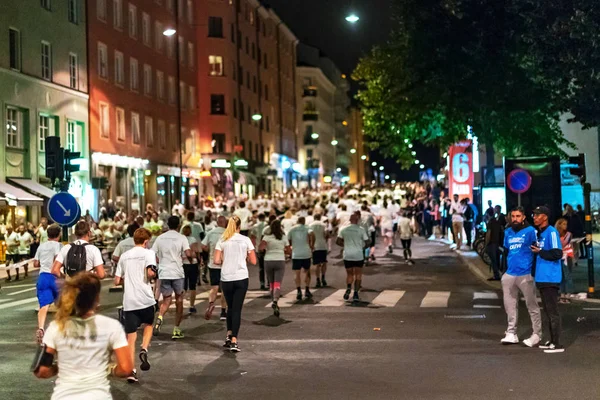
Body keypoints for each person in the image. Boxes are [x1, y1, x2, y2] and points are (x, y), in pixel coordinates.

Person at [34, 273, 133, 397]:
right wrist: (109, 369)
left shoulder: (56, 326)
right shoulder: (112, 326)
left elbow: (41, 370)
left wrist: (62, 366)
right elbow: (126, 369)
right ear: (97, 299)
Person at [114, 228, 157, 383]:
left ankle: (131, 370)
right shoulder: (149, 253)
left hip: (129, 301)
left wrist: (129, 278)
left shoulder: (125, 256)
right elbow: (151, 273)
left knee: (130, 338)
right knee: (149, 324)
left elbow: (116, 281)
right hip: (146, 299)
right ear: (146, 241)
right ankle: (144, 348)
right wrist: (152, 274)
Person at [214, 216, 257, 352]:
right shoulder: (245, 240)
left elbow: (216, 260)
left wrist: (225, 258)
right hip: (241, 277)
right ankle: (234, 340)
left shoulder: (222, 239)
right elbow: (254, 261)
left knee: (230, 308)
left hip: (226, 277)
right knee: (237, 309)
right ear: (240, 226)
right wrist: (243, 256)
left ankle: (228, 335)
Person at [500, 206, 542, 347]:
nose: (515, 219)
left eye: (518, 216)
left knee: (532, 305)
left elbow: (537, 249)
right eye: (513, 216)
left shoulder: (530, 231)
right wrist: (504, 272)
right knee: (510, 306)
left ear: (523, 217)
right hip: (510, 273)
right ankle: (511, 333)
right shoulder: (508, 232)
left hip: (525, 273)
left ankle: (537, 333)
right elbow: (507, 251)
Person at [151, 216, 192, 340]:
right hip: (177, 272)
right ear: (179, 225)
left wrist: (160, 262)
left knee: (166, 300)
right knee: (179, 299)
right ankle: (176, 329)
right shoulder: (182, 238)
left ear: (167, 225)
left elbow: (153, 254)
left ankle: (160, 317)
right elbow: (188, 253)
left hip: (164, 272)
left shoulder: (160, 238)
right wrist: (192, 260)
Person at [531, 206, 564, 353]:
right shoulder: (541, 233)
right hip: (542, 278)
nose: (534, 217)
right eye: (534, 215)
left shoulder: (551, 232)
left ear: (545, 217)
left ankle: (557, 344)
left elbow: (557, 253)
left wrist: (540, 252)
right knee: (548, 312)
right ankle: (551, 340)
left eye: (537, 215)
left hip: (550, 277)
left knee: (553, 312)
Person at [34, 224, 62, 344]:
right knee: (62, 305)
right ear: (59, 235)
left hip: (43, 277)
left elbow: (35, 263)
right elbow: (57, 260)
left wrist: (44, 264)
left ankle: (41, 328)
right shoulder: (59, 246)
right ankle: (60, 332)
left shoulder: (41, 246)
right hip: (55, 277)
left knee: (43, 306)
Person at [259, 219, 291, 317]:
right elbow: (289, 251)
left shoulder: (266, 237)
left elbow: (260, 248)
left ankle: (272, 299)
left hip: (268, 260)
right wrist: (281, 250)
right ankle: (276, 301)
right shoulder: (283, 237)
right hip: (280, 260)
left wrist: (267, 249)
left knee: (271, 282)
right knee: (277, 283)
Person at [337, 212, 370, 301]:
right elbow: (367, 242)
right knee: (358, 274)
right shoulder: (361, 229)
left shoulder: (343, 229)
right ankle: (355, 293)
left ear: (350, 220)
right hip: (358, 254)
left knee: (349, 274)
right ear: (357, 220)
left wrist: (346, 245)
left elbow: (338, 241)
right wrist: (362, 247)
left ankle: (348, 289)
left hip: (347, 254)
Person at [202, 216, 228, 321]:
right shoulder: (228, 233)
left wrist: (209, 250)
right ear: (225, 223)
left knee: (214, 287)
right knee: (224, 290)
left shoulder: (211, 233)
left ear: (217, 223)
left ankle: (211, 303)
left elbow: (203, 246)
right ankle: (223, 312)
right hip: (225, 264)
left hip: (213, 264)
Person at [288, 216, 313, 300]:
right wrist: (311, 245)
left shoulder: (292, 229)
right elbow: (312, 234)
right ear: (304, 221)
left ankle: (298, 290)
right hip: (306, 253)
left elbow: (288, 240)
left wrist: (292, 246)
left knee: (297, 273)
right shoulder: (307, 228)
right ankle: (307, 289)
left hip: (296, 253)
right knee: (307, 272)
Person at [181, 224, 200, 314]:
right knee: (192, 286)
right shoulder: (193, 240)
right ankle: (192, 306)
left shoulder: (180, 240)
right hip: (193, 264)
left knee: (183, 286)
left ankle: (180, 304)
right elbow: (195, 252)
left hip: (183, 264)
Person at [555, 218, 574, 303]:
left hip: (567, 256)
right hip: (559, 257)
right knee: (561, 276)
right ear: (559, 225)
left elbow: (563, 244)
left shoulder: (569, 234)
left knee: (568, 275)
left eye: (566, 224)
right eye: (563, 224)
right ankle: (562, 293)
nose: (565, 226)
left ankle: (568, 293)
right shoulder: (555, 234)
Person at [309, 213, 329, 287]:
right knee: (324, 262)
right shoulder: (324, 225)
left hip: (315, 246)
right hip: (323, 245)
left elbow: (309, 235)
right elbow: (327, 234)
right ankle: (323, 278)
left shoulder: (310, 225)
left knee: (317, 264)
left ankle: (317, 280)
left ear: (314, 217)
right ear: (320, 217)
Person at [250, 213, 268, 290]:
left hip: (258, 248)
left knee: (261, 267)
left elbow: (252, 238)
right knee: (268, 267)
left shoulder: (255, 226)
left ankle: (262, 283)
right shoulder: (267, 225)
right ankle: (270, 282)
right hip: (267, 248)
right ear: (264, 218)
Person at [486, 215, 505, 281]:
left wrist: (486, 244)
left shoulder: (490, 223)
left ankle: (496, 275)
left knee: (493, 261)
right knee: (497, 260)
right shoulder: (498, 223)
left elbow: (488, 233)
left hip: (492, 244)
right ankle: (499, 274)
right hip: (498, 243)